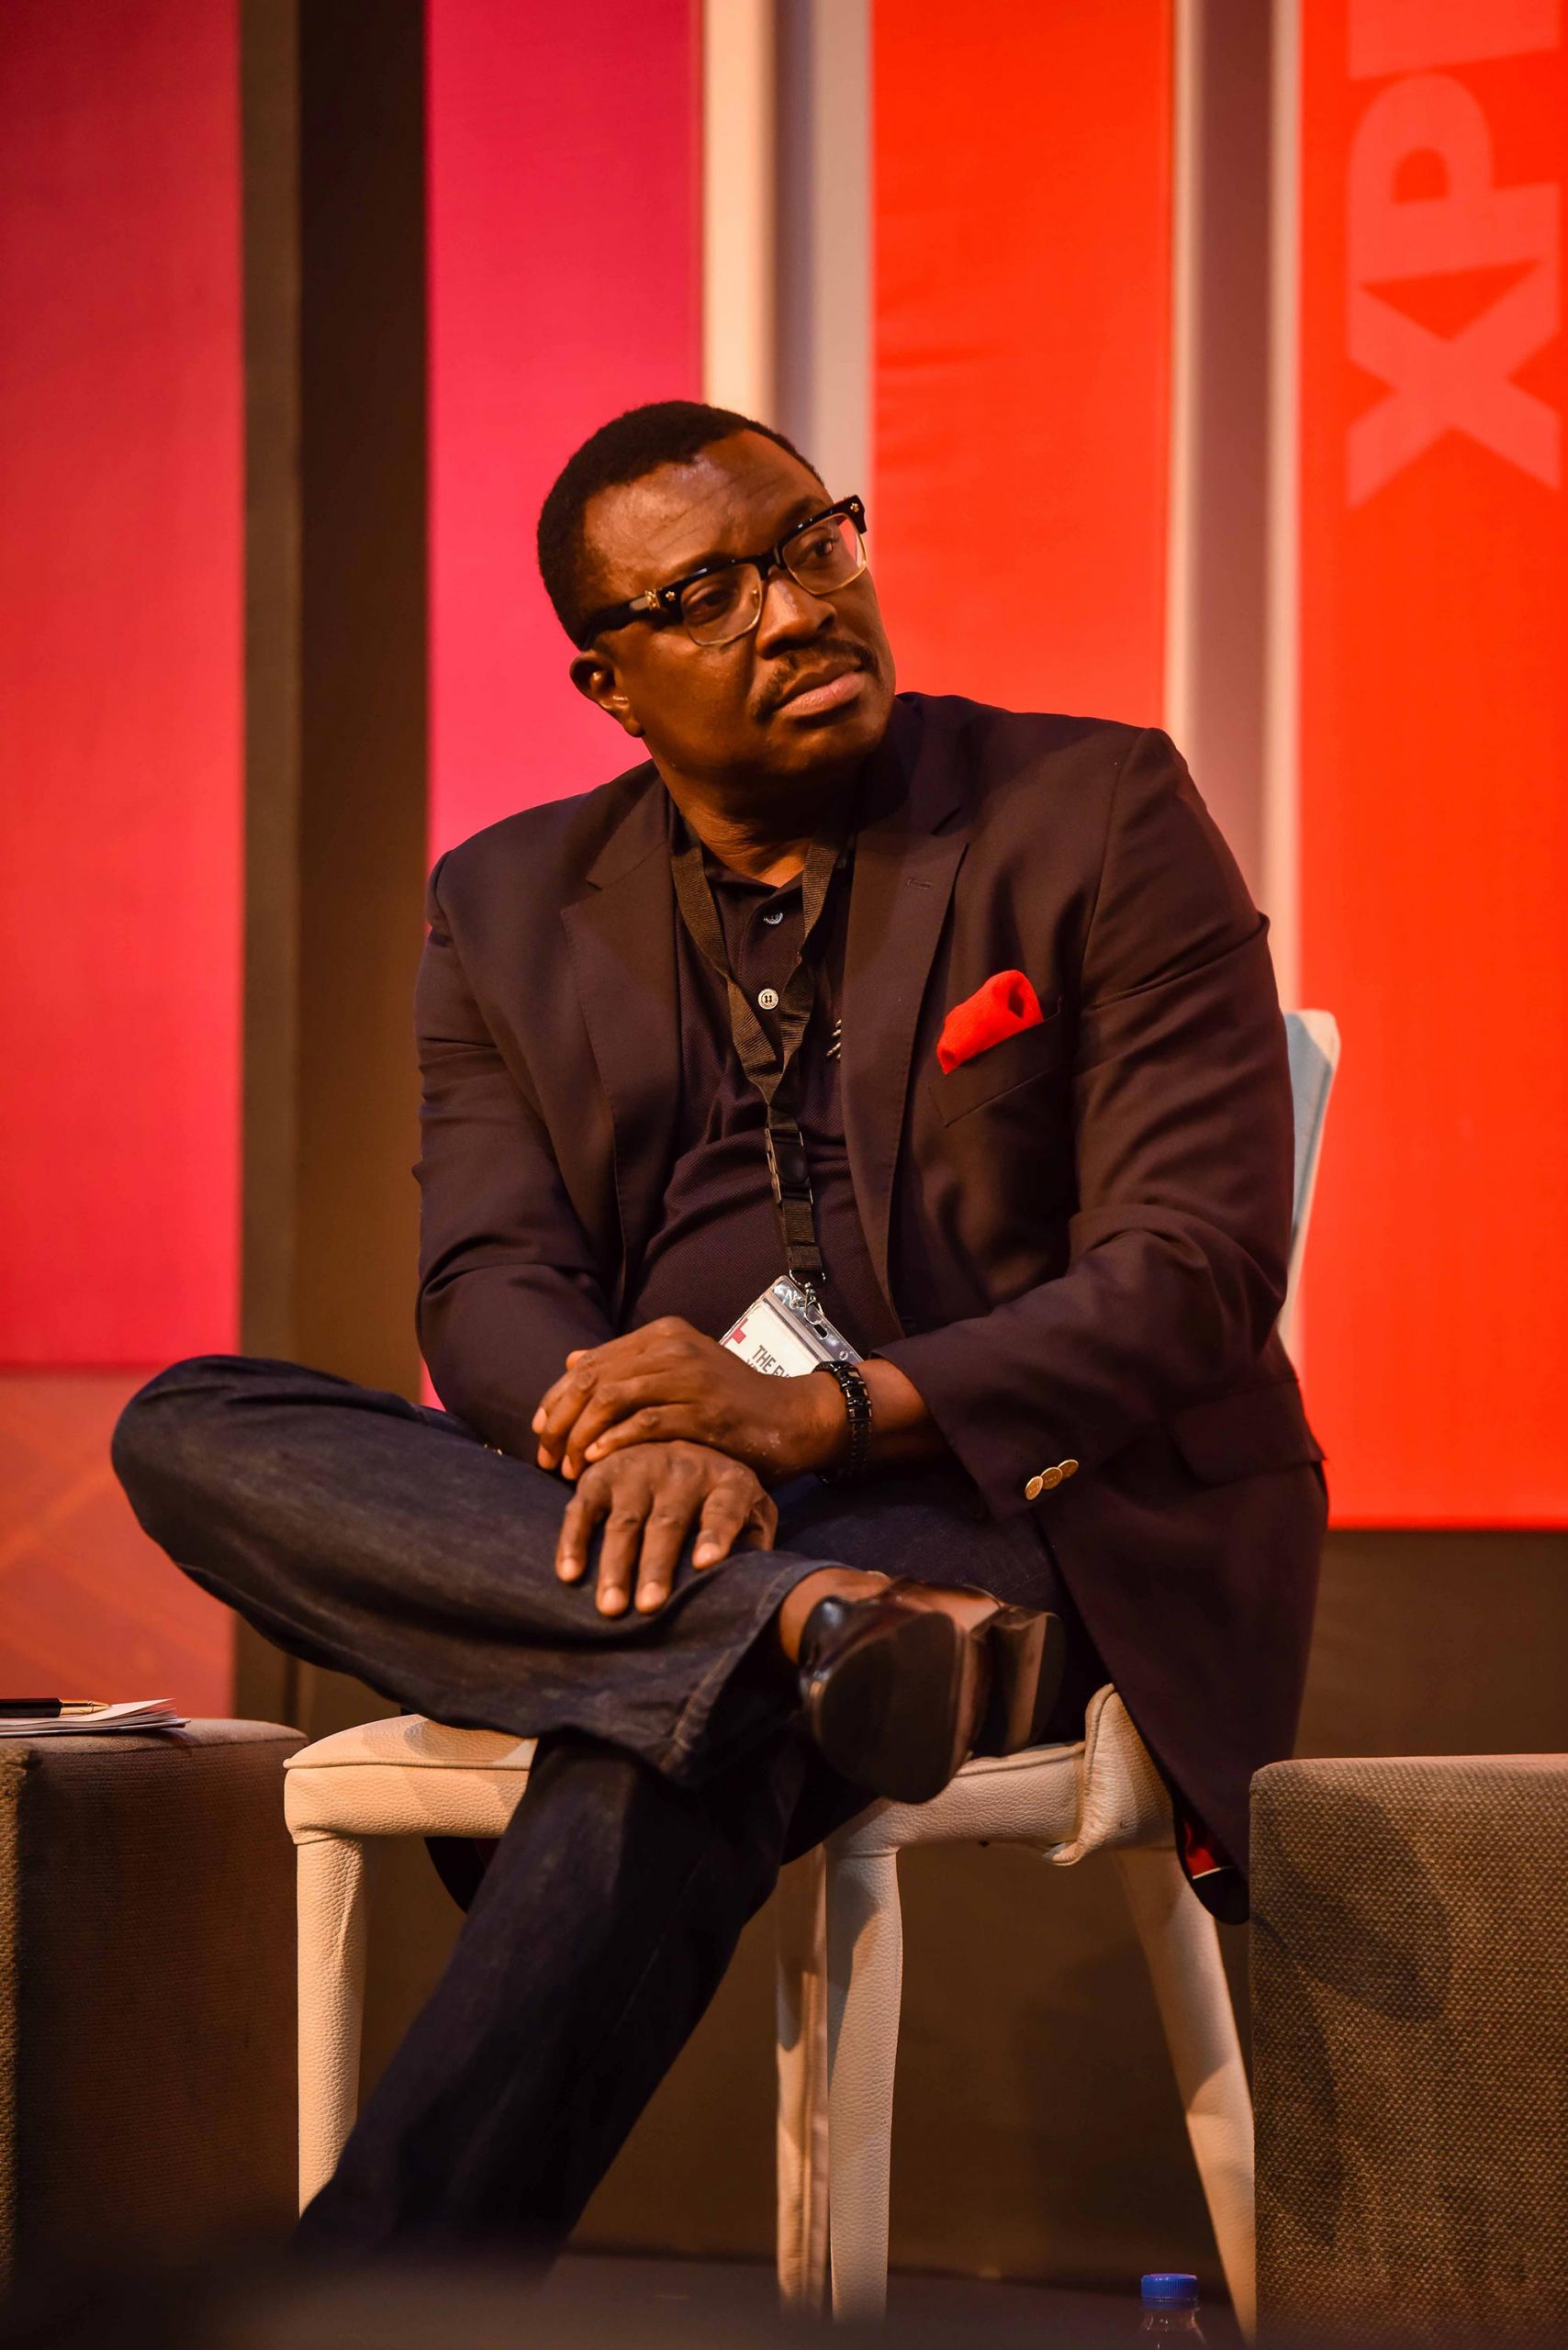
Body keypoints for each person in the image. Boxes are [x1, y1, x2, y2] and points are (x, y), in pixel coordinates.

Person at [111, 398, 1326, 2257]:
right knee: (195, 1420)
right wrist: (656, 1436)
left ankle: (370, 2294)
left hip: (1014, 1494)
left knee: (664, 1734)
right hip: (710, 1519)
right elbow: (486, 1281)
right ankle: (792, 1623)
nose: (796, 608)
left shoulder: (1091, 811)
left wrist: (815, 1415)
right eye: (706, 594)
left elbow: (1192, 1268)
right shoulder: (507, 903)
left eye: (812, 543)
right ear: (607, 682)